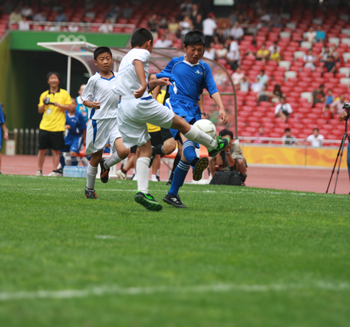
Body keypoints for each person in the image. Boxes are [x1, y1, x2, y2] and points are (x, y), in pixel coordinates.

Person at [112, 28, 230, 211]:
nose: (196, 53)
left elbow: (212, 89)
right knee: (185, 134)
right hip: (176, 104)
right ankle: (207, 150)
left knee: (182, 150)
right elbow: (155, 76)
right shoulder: (174, 63)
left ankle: (172, 194)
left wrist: (221, 107)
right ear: (185, 47)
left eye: (200, 49)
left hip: (192, 108)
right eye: (193, 49)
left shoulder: (204, 68)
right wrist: (151, 87)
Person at [82, 47, 129, 199]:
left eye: (108, 58)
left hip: (116, 120)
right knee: (96, 156)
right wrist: (92, 104)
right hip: (99, 122)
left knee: (123, 151)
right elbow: (85, 99)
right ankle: (89, 189)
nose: (105, 62)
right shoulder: (94, 80)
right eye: (101, 59)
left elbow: (123, 94)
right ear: (96, 62)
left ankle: (106, 164)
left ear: (111, 59)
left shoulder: (118, 77)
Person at [36, 72, 75, 177]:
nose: (53, 80)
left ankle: (54, 170)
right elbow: (39, 110)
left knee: (56, 150)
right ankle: (39, 170)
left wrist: (60, 105)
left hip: (58, 127)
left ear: (58, 80)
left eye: (55, 78)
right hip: (44, 126)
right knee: (42, 150)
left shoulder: (64, 93)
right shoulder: (44, 95)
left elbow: (71, 107)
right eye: (51, 78)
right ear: (48, 81)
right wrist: (44, 103)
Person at [61, 103, 86, 169]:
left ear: (76, 105)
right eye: (70, 104)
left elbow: (84, 128)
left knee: (72, 153)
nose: (72, 105)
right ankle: (63, 168)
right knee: (58, 150)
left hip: (78, 136)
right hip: (69, 136)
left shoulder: (79, 115)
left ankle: (73, 169)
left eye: (73, 104)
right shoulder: (65, 113)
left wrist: (84, 139)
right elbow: (60, 123)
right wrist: (64, 127)